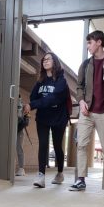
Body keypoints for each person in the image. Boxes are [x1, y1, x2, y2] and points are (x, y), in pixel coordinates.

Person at [69, 30, 104, 191]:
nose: (88, 46)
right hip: (87, 112)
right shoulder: (86, 65)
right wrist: (81, 102)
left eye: (90, 43)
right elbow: (79, 86)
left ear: (99, 42)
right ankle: (81, 180)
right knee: (81, 145)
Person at [24, 52, 69, 188]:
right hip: (43, 117)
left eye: (48, 59)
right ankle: (41, 176)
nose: (45, 61)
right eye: (44, 59)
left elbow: (53, 98)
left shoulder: (61, 81)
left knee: (56, 146)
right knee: (43, 144)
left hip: (58, 118)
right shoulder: (40, 81)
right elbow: (33, 97)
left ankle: (60, 173)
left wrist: (33, 105)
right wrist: (33, 103)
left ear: (55, 62)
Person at [15, 96, 29, 176]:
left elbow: (26, 122)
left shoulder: (23, 107)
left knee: (19, 148)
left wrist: (22, 116)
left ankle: (21, 168)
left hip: (19, 131)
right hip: (11, 130)